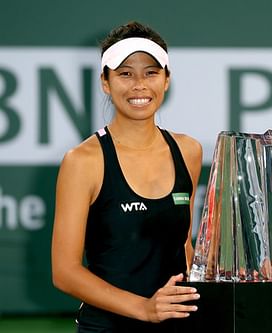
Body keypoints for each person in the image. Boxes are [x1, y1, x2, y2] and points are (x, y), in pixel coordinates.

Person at [51, 21, 202, 332]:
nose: (139, 85)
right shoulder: (83, 161)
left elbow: (184, 244)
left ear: (166, 80)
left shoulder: (188, 151)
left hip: (178, 323)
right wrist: (144, 309)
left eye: (150, 72)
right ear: (105, 82)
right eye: (125, 73)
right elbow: (64, 272)